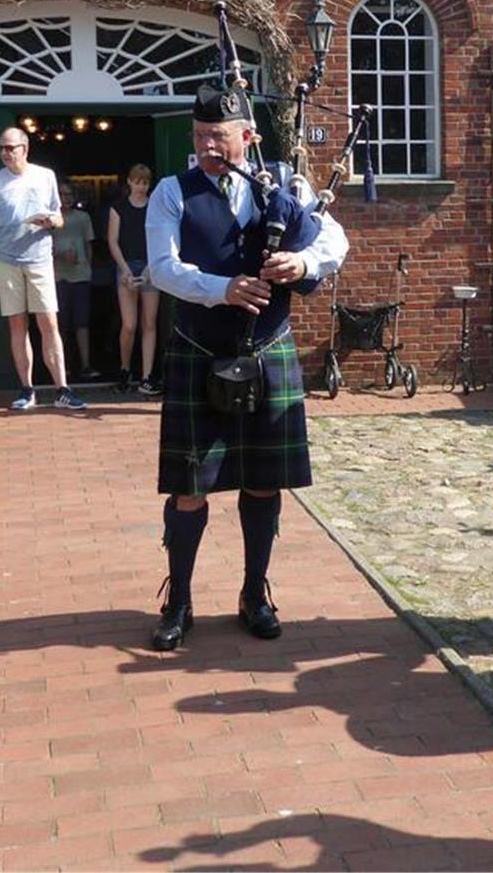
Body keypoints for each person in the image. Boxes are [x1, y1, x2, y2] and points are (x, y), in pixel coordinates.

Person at [144, 83, 348, 651]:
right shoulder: (171, 192)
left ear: (247, 136)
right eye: (201, 135)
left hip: (267, 348)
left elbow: (335, 240)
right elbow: (163, 268)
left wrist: (301, 260)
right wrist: (222, 288)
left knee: (263, 484)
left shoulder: (283, 184)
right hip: (199, 348)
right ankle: (179, 599)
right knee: (189, 489)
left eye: (221, 136)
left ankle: (254, 593)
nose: (210, 145)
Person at [0, 128, 84, 411]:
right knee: (17, 324)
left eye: (11, 147)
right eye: (2, 147)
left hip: (39, 259)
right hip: (5, 261)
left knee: (49, 323)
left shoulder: (44, 175)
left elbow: (59, 218)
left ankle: (62, 389)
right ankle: (27, 390)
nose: (5, 152)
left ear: (25, 149)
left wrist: (50, 221)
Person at [109, 163, 162, 395]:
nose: (141, 186)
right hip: (127, 266)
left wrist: (152, 267)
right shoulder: (118, 208)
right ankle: (125, 368)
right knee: (129, 324)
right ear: (129, 182)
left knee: (149, 323)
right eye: (137, 182)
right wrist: (125, 271)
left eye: (145, 182)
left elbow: (161, 238)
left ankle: (147, 375)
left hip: (151, 266)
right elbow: (113, 241)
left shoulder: (156, 207)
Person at [53, 181, 96, 379]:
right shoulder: (51, 219)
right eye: (61, 194)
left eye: (69, 195)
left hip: (80, 275)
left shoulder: (83, 218)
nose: (66, 199)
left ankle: (86, 365)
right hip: (57, 276)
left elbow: (89, 245)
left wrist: (87, 266)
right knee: (61, 324)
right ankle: (65, 366)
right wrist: (60, 255)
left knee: (82, 322)